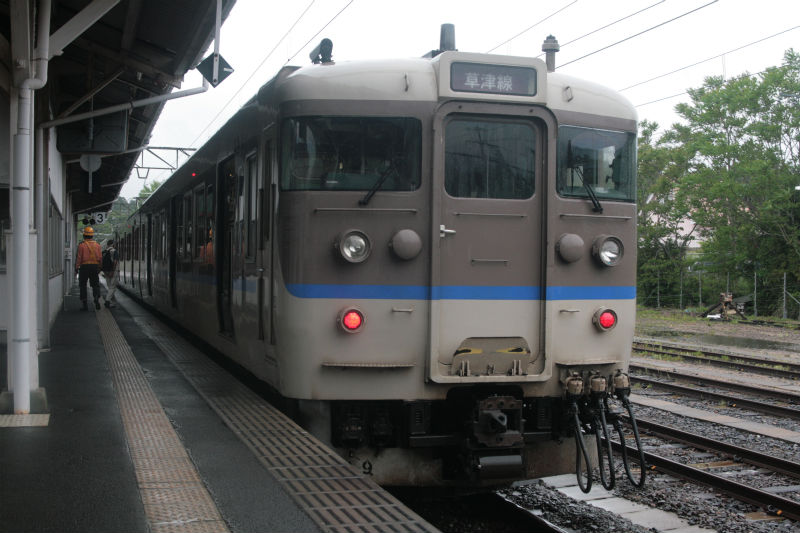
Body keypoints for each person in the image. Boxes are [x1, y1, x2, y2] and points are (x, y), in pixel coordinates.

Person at [75, 226, 102, 311]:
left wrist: (76, 267)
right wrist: (99, 267)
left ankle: (85, 304)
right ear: (92, 235)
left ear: (84, 235)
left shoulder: (81, 245)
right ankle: (96, 298)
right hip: (94, 266)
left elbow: (79, 257)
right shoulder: (97, 245)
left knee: (83, 285)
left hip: (84, 267)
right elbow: (100, 258)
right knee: (95, 284)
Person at [102, 239, 119, 308]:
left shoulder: (104, 252)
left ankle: (113, 302)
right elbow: (115, 262)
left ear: (107, 244)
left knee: (110, 288)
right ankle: (107, 300)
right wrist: (112, 271)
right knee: (112, 287)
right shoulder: (114, 251)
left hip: (106, 271)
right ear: (113, 244)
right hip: (113, 271)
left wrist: (104, 271)